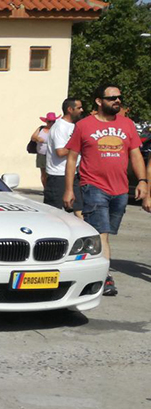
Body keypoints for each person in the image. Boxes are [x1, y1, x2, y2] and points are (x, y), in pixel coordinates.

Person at [64, 83, 149, 296]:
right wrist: (69, 189)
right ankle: (105, 277)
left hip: (120, 189)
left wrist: (142, 181)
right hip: (93, 186)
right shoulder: (84, 125)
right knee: (102, 233)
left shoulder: (127, 124)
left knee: (106, 232)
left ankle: (89, 266)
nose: (117, 101)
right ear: (99, 101)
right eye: (112, 98)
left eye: (119, 97)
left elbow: (136, 155)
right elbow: (72, 158)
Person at [44, 98, 83, 216]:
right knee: (53, 213)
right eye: (79, 108)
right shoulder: (60, 127)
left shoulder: (73, 126)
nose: (82, 110)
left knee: (79, 209)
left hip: (73, 174)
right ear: (70, 109)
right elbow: (60, 152)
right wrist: (79, 147)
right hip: (58, 176)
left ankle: (82, 233)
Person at [31, 113, 55, 187]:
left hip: (52, 154)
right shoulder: (41, 128)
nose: (51, 123)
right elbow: (33, 137)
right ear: (46, 121)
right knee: (43, 173)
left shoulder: (56, 129)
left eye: (53, 121)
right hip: (42, 153)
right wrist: (38, 138)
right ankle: (45, 188)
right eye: (49, 121)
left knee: (51, 173)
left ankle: (50, 187)